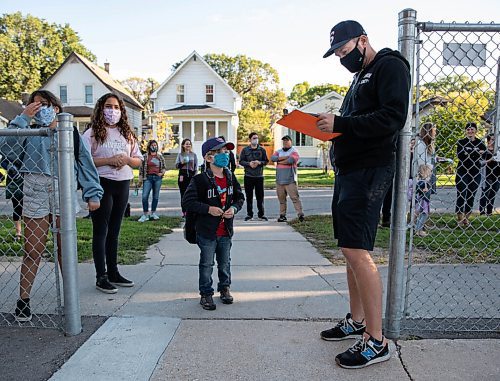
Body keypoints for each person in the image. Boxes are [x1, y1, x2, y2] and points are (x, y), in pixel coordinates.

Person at [317, 20, 411, 368]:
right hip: (349, 170)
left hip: (370, 170)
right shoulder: (359, 78)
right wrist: (334, 128)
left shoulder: (389, 66)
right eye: (338, 54)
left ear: (363, 41)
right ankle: (356, 321)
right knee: (347, 248)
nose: (343, 58)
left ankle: (376, 340)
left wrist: (341, 124)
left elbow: (392, 118)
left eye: (345, 51)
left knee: (358, 250)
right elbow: (358, 121)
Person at [3, 90, 102, 322]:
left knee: (64, 249)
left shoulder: (70, 133)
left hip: (63, 189)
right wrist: (23, 118)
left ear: (56, 107)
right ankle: (23, 301)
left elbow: (85, 163)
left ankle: (70, 300)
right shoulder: (27, 130)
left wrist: (93, 193)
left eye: (45, 104)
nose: (40, 109)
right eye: (35, 105)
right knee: (33, 250)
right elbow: (6, 149)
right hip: (34, 187)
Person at [83, 93, 143, 294]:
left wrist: (125, 159)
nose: (113, 111)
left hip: (122, 182)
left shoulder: (126, 134)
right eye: (109, 106)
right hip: (101, 183)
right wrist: (108, 160)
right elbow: (84, 160)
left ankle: (114, 272)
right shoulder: (91, 133)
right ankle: (101, 276)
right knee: (101, 230)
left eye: (117, 107)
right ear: (101, 108)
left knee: (115, 230)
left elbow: (138, 160)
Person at [181, 137, 244, 311]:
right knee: (207, 263)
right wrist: (208, 209)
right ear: (209, 157)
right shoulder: (200, 180)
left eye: (226, 152)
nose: (226, 155)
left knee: (225, 262)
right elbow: (188, 202)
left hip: (226, 231)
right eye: (222, 152)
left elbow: (240, 198)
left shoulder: (230, 177)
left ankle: (224, 288)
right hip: (207, 231)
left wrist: (234, 208)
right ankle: (206, 293)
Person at [455, 122, 486, 226]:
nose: (470, 131)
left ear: (476, 131)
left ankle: (466, 219)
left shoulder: (480, 143)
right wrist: (476, 152)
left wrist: (469, 152)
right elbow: (461, 156)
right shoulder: (461, 142)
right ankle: (459, 218)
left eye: (472, 129)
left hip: (475, 172)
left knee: (471, 195)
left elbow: (485, 154)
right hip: (462, 171)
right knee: (461, 193)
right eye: (468, 129)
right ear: (466, 131)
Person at [270, 135, 304, 222]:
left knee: (295, 198)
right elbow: (273, 158)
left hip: (290, 180)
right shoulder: (279, 151)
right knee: (281, 200)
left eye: (287, 141)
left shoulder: (294, 151)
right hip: (279, 180)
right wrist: (284, 158)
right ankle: (282, 215)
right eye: (284, 141)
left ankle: (300, 215)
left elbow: (291, 161)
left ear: (290, 142)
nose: (285, 142)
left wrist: (279, 161)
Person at [238, 132, 268, 221]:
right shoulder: (245, 150)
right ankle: (249, 214)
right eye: (254, 138)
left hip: (259, 176)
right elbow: (241, 161)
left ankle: (261, 214)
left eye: (257, 138)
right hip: (248, 176)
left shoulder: (262, 150)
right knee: (249, 196)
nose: (256, 140)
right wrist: (249, 164)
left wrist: (259, 162)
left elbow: (266, 161)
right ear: (250, 140)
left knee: (260, 197)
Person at [137, 140, 166, 222]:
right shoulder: (145, 156)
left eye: (155, 145)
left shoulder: (160, 156)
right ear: (149, 146)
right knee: (144, 196)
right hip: (148, 178)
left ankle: (153, 213)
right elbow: (141, 169)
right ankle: (145, 214)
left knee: (155, 196)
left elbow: (164, 167)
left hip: (157, 178)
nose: (154, 146)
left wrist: (162, 173)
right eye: (152, 145)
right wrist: (140, 179)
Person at [176, 138, 198, 217]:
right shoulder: (180, 155)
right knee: (183, 194)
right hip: (183, 176)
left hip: (191, 176)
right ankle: (184, 212)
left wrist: (195, 176)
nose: (188, 145)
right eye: (186, 144)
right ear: (183, 145)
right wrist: (182, 163)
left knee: (191, 194)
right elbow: (176, 166)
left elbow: (196, 167)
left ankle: (191, 211)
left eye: (189, 144)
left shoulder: (193, 155)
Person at [479, 134, 499, 215]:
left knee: (493, 193)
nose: (493, 142)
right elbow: (480, 163)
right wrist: (491, 159)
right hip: (487, 175)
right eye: (492, 140)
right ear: (488, 141)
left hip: (497, 175)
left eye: (495, 140)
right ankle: (482, 211)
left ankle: (489, 211)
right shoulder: (485, 151)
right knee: (486, 193)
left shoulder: (497, 151)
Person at [4, 159, 24, 240]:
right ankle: (18, 232)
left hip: (27, 179)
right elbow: (3, 163)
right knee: (17, 207)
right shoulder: (9, 151)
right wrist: (11, 167)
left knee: (30, 208)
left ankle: (30, 231)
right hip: (14, 183)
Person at [413, 165, 433, 237]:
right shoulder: (422, 182)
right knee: (424, 214)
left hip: (425, 200)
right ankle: (418, 230)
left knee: (422, 215)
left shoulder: (424, 181)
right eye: (428, 172)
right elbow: (418, 188)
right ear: (422, 173)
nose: (430, 173)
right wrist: (423, 190)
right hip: (423, 201)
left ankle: (417, 229)